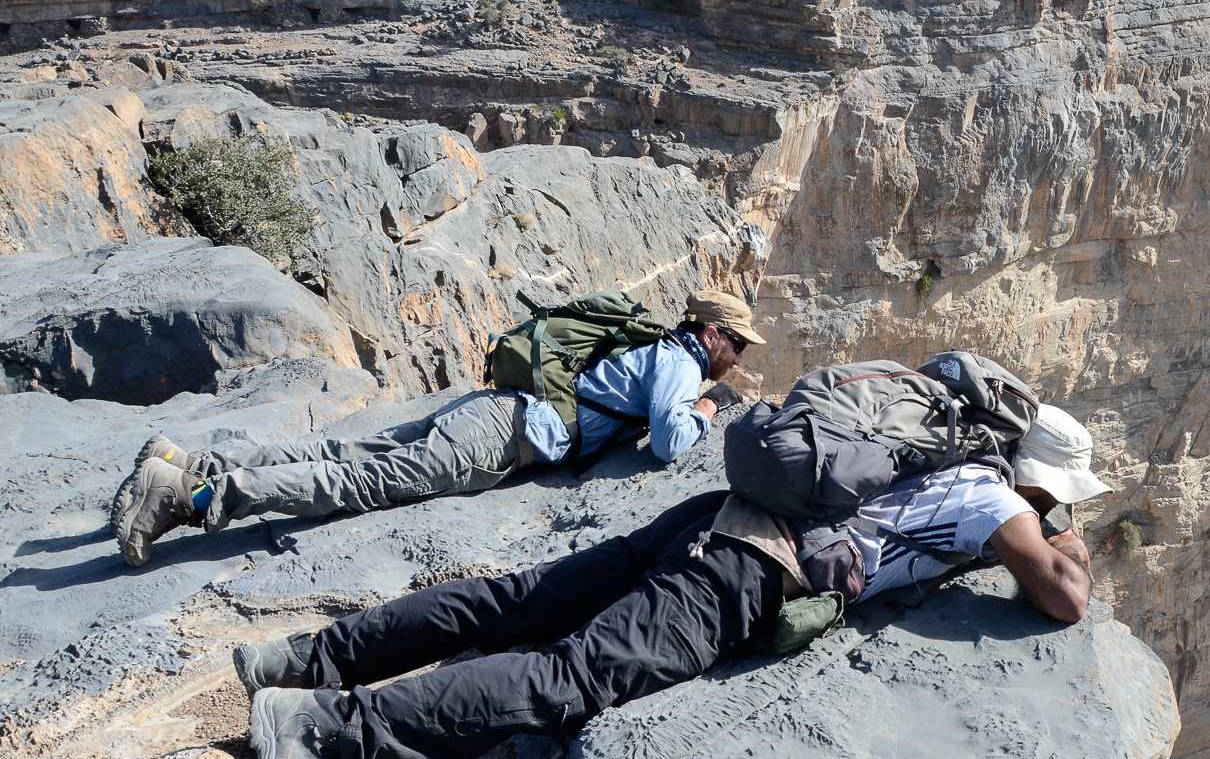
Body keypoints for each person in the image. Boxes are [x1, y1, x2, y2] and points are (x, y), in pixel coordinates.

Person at [240, 403, 1112, 759]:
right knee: (567, 680)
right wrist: (1058, 529)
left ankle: (302, 658)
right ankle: (321, 728)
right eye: (1065, 495)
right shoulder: (997, 500)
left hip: (718, 512)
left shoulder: (951, 455)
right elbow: (1065, 597)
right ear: (1044, 483)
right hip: (743, 573)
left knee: (522, 598)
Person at [110, 289, 765, 567]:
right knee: (357, 481)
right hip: (504, 437)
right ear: (711, 333)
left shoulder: (654, 347)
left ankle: (184, 458)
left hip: (498, 409)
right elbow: (671, 442)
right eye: (736, 345)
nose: (738, 358)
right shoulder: (679, 363)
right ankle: (188, 497)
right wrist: (709, 410)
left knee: (343, 448)